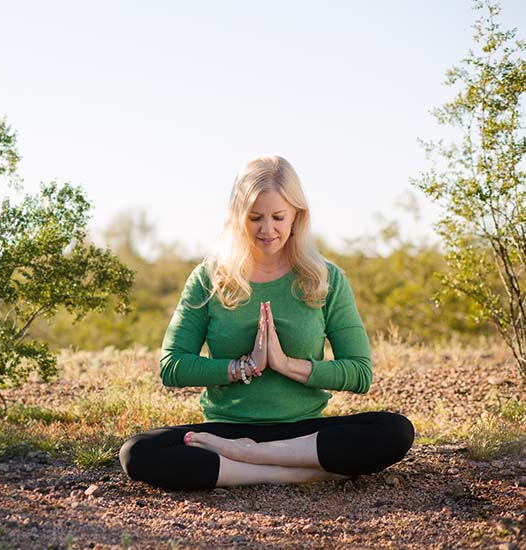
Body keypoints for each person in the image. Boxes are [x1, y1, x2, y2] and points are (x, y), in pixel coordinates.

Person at [119, 155, 414, 491]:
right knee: (138, 452)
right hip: (229, 428)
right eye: (255, 217)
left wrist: (287, 365)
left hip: (304, 432)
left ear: (296, 217)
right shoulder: (209, 277)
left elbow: (360, 373)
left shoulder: (326, 279)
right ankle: (291, 471)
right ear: (237, 217)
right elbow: (172, 366)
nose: (267, 229)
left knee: (395, 430)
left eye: (278, 217)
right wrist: (242, 367)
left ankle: (251, 458)